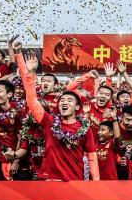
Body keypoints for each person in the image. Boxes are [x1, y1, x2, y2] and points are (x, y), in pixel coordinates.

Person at [15, 44, 100, 181]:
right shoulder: (49, 121)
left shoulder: (85, 128)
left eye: (69, 100)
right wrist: (31, 73)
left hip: (74, 180)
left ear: (77, 107)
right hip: (50, 180)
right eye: (62, 100)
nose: (64, 102)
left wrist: (96, 181)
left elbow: (91, 156)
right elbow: (31, 101)